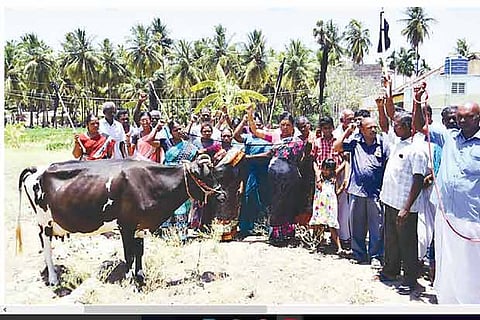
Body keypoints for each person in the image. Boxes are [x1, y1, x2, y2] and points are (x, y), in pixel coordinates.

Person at [413, 92, 480, 303]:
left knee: (470, 268)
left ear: (478, 118)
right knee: (447, 264)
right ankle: (448, 303)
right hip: (446, 215)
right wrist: (418, 101)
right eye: (459, 116)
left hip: (472, 218)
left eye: (466, 117)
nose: (460, 120)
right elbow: (418, 125)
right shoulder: (449, 136)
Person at [333, 116, 388, 268]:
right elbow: (336, 147)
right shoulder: (355, 142)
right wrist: (348, 132)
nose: (373, 129)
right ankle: (358, 253)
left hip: (375, 192)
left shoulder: (382, 143)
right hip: (356, 190)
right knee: (356, 225)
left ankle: (376, 256)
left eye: (374, 127)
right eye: (369, 127)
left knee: (376, 226)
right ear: (362, 129)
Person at [247, 105, 305, 243]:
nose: (285, 127)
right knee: (276, 203)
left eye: (288, 125)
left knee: (289, 203)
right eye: (282, 124)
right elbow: (255, 131)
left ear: (293, 127)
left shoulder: (298, 140)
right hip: (274, 177)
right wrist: (250, 114)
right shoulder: (274, 136)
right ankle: (276, 233)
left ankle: (288, 232)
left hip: (291, 177)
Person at [234, 113, 272, 237]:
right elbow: (236, 136)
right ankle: (247, 226)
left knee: (264, 199)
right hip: (250, 172)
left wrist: (249, 157)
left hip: (264, 172)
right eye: (254, 125)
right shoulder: (248, 137)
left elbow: (268, 155)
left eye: (259, 125)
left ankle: (264, 225)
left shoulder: (267, 138)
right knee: (249, 196)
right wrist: (244, 121)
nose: (257, 127)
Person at [161, 120, 199, 240]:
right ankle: (166, 234)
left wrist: (189, 163)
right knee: (166, 205)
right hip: (167, 178)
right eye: (176, 130)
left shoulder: (189, 146)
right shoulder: (165, 143)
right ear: (171, 132)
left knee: (182, 204)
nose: (179, 131)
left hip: (183, 179)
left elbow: (196, 160)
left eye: (180, 129)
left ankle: (182, 234)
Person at [309, 158, 345, 254]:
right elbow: (315, 168)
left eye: (327, 169)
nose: (325, 171)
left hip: (330, 206)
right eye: (323, 168)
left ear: (332, 170)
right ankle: (316, 244)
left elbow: (336, 192)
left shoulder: (334, 180)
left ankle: (339, 247)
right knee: (319, 225)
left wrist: (342, 187)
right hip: (319, 205)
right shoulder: (319, 178)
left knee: (332, 226)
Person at [332, 109, 355, 246]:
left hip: (355, 171)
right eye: (349, 119)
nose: (352, 121)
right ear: (342, 120)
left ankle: (351, 236)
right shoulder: (336, 134)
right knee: (341, 205)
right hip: (339, 172)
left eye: (353, 118)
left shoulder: (359, 133)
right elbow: (336, 150)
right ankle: (342, 237)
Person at [295, 116, 316, 226]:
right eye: (300, 127)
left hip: (315, 173)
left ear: (309, 124)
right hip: (300, 173)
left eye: (304, 126)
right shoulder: (297, 140)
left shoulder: (316, 136)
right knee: (301, 200)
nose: (303, 129)